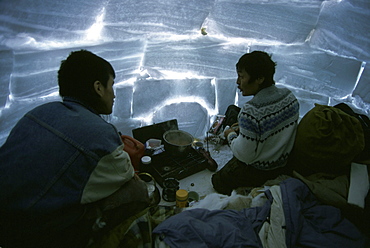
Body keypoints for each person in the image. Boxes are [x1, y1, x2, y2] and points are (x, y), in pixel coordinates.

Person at [0, 50, 149, 247]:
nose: (113, 94)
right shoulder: (101, 133)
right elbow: (125, 174)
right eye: (111, 85)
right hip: (28, 234)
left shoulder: (39, 112)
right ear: (98, 88)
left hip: (5, 218)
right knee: (137, 190)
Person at [211, 51, 300, 195]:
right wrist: (245, 128)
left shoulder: (251, 111)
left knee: (218, 181)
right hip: (283, 161)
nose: (238, 82)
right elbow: (272, 124)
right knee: (233, 110)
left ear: (259, 78)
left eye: (242, 77)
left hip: (263, 170)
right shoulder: (289, 96)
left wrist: (231, 135)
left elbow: (245, 156)